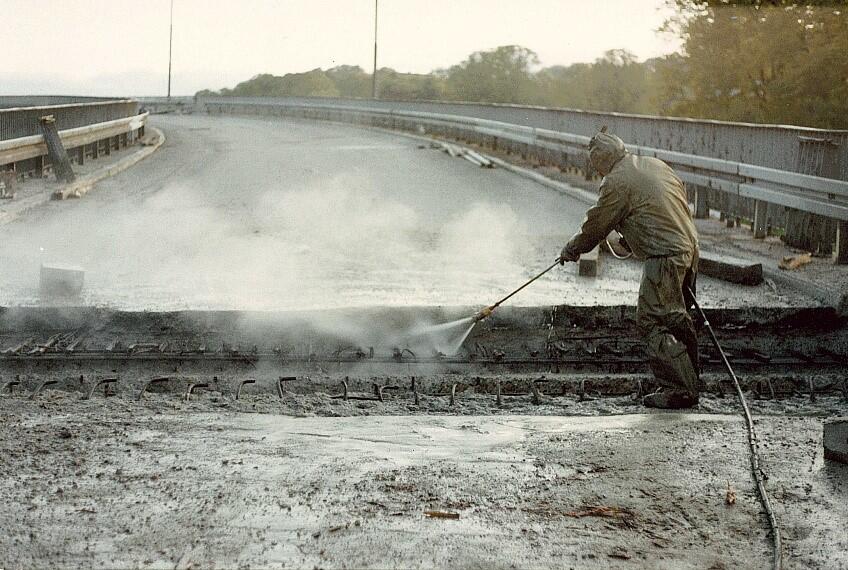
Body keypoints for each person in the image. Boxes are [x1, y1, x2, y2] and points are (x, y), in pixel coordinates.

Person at [559, 129, 700, 409]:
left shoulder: (616, 181)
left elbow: (597, 224)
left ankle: (680, 390)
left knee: (653, 320)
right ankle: (690, 380)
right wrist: (636, 233)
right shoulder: (653, 164)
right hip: (689, 247)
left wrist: (573, 248)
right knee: (676, 317)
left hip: (665, 256)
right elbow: (664, 203)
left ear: (600, 160)